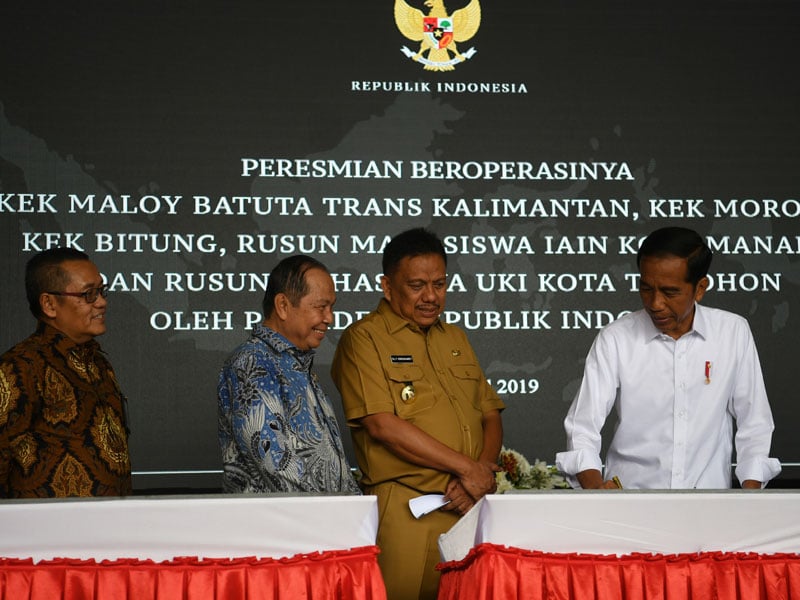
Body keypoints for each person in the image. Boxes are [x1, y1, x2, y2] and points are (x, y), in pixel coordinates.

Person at [331, 228, 504, 599]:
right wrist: (466, 468)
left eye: (440, 284)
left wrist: (480, 475)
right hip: (408, 512)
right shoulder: (364, 338)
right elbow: (382, 425)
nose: (431, 296)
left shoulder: (454, 336)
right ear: (387, 286)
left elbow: (488, 412)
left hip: (468, 507)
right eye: (417, 285)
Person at [556, 226, 781, 490]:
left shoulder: (733, 332)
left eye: (670, 292)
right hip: (628, 506)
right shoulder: (615, 338)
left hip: (709, 507)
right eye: (646, 288)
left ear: (700, 288)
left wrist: (749, 501)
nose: (655, 303)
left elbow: (754, 424)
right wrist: (597, 492)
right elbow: (583, 428)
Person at [218, 255, 359, 494]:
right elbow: (274, 464)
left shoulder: (297, 365)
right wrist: (338, 511)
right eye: (320, 307)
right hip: (281, 527)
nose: (329, 318)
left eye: (331, 307)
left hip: (324, 523)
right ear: (283, 305)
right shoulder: (252, 363)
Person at [0, 247, 131, 498]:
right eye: (88, 294)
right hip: (44, 533)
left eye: (101, 291)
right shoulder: (18, 368)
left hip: (112, 529)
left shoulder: (99, 365)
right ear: (49, 304)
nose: (102, 302)